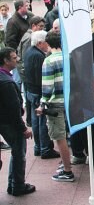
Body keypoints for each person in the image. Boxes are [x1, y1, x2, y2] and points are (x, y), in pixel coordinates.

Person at [0, 47, 36, 196]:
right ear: (6, 61)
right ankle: (17, 185)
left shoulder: (4, 78)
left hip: (5, 121)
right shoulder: (6, 82)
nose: (17, 60)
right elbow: (14, 110)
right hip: (9, 123)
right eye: (14, 58)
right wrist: (23, 128)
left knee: (17, 153)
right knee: (19, 153)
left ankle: (14, 184)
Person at [40, 31, 75, 182]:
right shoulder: (69, 57)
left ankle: (67, 170)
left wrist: (43, 103)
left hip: (55, 103)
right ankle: (66, 162)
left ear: (48, 44)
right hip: (70, 100)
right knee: (67, 134)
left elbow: (47, 86)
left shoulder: (49, 61)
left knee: (59, 137)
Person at [24, 30, 59, 159]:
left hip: (31, 90)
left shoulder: (30, 52)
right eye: (46, 42)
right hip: (38, 92)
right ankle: (45, 148)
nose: (48, 45)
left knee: (36, 120)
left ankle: (38, 147)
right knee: (43, 121)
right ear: (40, 43)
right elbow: (42, 77)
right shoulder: (39, 56)